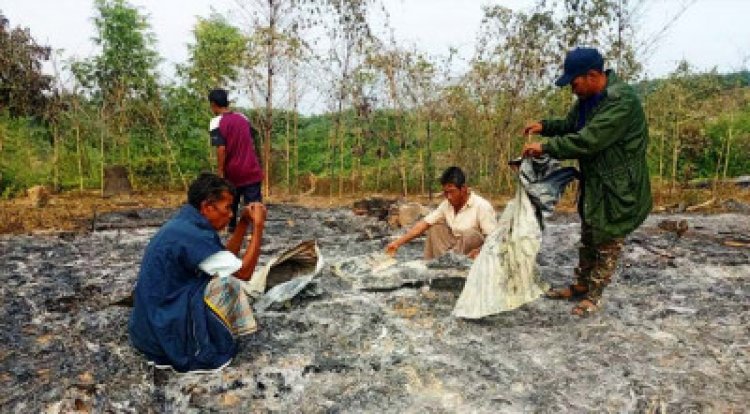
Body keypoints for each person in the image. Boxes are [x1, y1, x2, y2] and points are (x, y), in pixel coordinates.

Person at [521, 47, 652, 316]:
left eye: (574, 82)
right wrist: (545, 126)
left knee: (609, 238)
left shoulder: (620, 102)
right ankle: (581, 285)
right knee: (590, 233)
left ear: (592, 75)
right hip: (596, 181)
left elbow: (589, 139)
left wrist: (545, 147)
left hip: (619, 185)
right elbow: (572, 125)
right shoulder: (588, 99)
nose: (572, 88)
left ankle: (593, 296)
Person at [129, 173, 266, 373]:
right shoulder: (192, 235)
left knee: (220, 275)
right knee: (228, 286)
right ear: (207, 207)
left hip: (147, 327)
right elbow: (243, 272)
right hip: (163, 326)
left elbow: (224, 260)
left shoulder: (185, 225)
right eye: (227, 208)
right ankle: (204, 343)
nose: (230, 215)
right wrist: (259, 228)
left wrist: (244, 224)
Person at [386, 166, 498, 260]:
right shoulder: (446, 205)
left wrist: (479, 252)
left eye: (452, 192)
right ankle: (434, 264)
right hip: (454, 246)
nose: (449, 197)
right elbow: (424, 224)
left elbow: (494, 239)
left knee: (471, 235)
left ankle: (452, 262)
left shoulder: (482, 206)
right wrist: (397, 243)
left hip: (474, 251)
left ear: (463, 189)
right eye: (445, 193)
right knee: (435, 227)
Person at [208, 88, 264, 232]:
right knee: (254, 204)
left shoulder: (216, 122)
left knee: (229, 202)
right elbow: (251, 140)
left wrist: (220, 173)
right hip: (251, 169)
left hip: (233, 171)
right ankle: (255, 232)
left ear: (213, 104)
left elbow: (221, 149)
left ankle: (231, 229)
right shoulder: (243, 118)